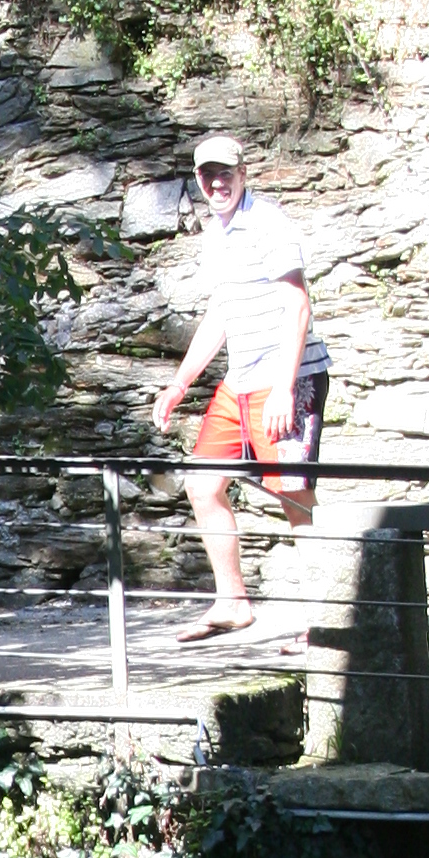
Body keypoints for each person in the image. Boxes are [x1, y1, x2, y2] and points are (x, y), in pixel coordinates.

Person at [150, 132, 332, 641]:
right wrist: (179, 384)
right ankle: (232, 603)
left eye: (224, 173)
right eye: (206, 175)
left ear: (243, 174)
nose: (215, 183)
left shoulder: (269, 223)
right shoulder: (217, 233)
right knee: (202, 483)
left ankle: (323, 622)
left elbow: (298, 305)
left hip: (289, 377)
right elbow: (221, 315)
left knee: (294, 494)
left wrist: (283, 388)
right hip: (241, 380)